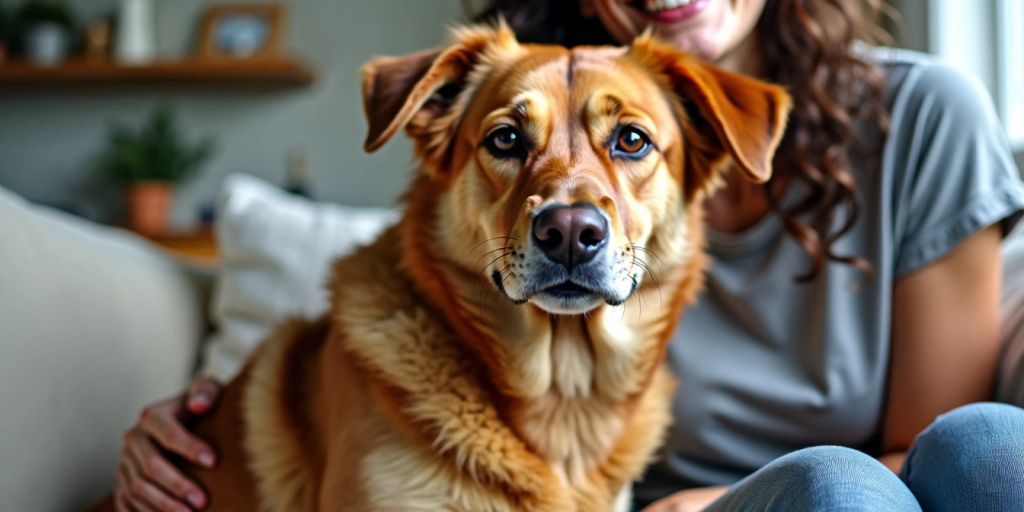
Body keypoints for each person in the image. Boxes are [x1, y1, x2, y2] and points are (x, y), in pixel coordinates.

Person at [113, 1, 1024, 511]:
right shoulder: (430, 328)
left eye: (630, 147)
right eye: (512, 145)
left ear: (696, 161)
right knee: (837, 495)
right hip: (803, 502)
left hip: (792, 496)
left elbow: (934, 444)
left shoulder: (923, 117)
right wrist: (187, 423)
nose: (570, 213)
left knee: (989, 443)